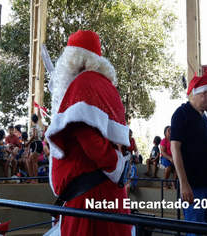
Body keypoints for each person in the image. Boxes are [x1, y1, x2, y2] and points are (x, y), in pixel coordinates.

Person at [44, 30, 132, 236]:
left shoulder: (82, 84)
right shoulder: (104, 85)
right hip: (104, 191)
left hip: (91, 197)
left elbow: (87, 135)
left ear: (73, 58)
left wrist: (114, 165)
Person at [171, 73, 207, 235]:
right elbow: (175, 149)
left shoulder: (204, 118)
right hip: (195, 187)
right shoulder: (181, 114)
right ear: (203, 94)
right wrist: (184, 183)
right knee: (196, 231)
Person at [24, 114, 43, 184]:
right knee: (29, 161)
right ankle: (31, 177)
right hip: (36, 144)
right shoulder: (39, 127)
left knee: (34, 162)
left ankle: (35, 179)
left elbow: (34, 135)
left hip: (36, 144)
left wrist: (28, 143)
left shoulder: (34, 126)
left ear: (32, 120)